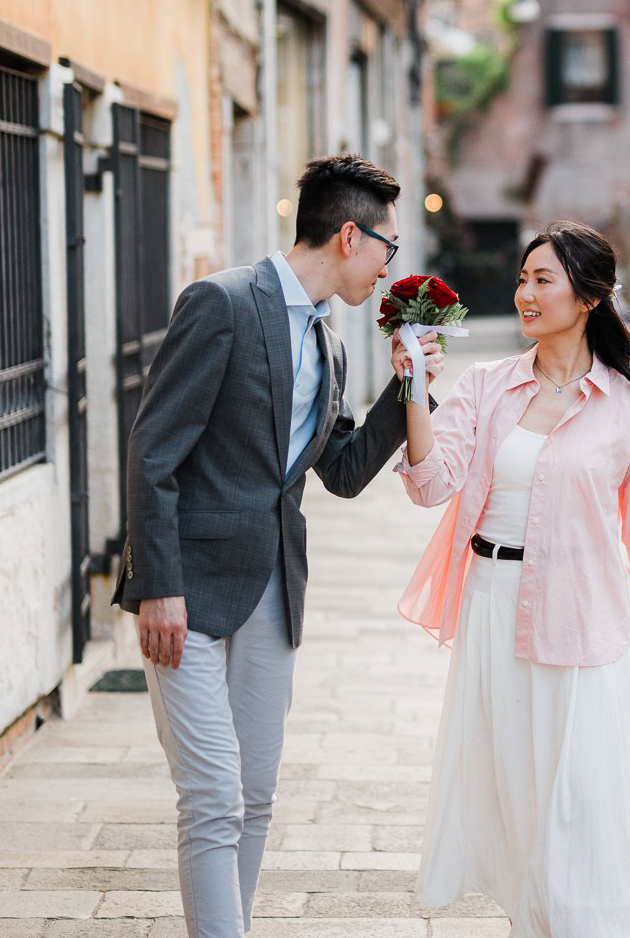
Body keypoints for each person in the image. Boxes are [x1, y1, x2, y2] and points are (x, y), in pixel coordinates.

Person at [114, 155, 445, 938]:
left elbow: (344, 472)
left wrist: (409, 388)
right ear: (348, 234)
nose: (389, 267)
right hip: (186, 591)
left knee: (256, 791)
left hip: (271, 589)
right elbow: (153, 450)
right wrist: (156, 582)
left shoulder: (327, 346)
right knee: (213, 794)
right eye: (387, 250)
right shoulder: (224, 303)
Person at [392, 220, 630, 936]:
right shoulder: (488, 386)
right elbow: (430, 487)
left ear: (588, 298)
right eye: (523, 278)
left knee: (579, 800)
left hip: (587, 619)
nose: (525, 293)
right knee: (519, 800)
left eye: (542, 280)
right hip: (494, 607)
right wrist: (414, 388)